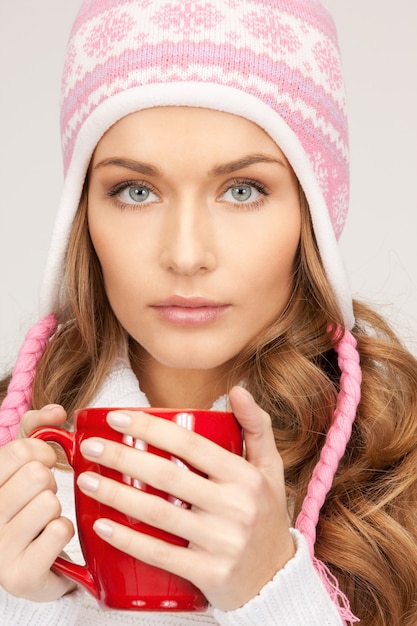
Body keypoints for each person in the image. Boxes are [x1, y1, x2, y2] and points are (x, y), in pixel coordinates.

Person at [0, 1, 416, 625]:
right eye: (135, 191)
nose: (186, 255)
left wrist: (275, 594)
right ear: (82, 216)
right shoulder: (16, 462)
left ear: (313, 216)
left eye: (243, 190)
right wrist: (23, 605)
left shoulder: (400, 460)